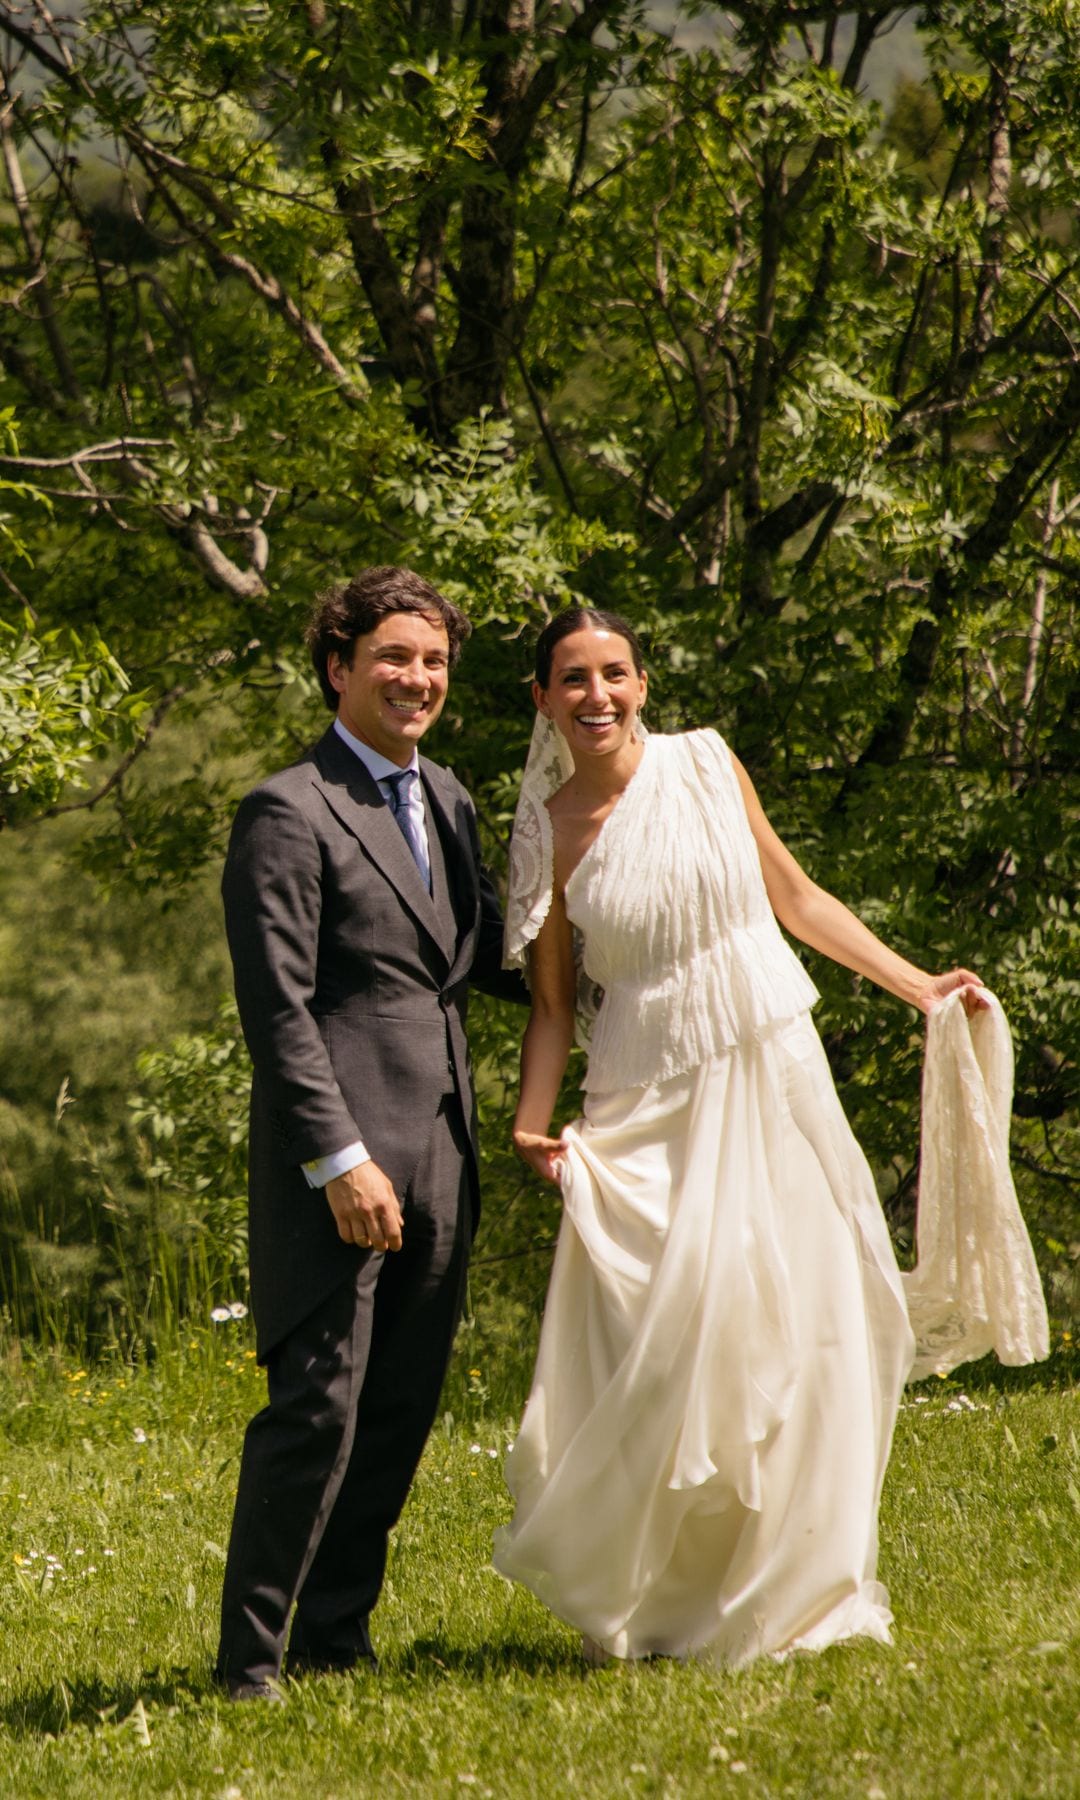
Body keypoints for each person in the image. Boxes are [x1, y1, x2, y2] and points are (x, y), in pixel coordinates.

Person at [493, 605, 1045, 1667]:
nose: (597, 696)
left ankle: (798, 1587)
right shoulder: (550, 830)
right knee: (676, 1349)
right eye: (573, 678)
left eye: (615, 673)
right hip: (645, 1099)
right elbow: (554, 1005)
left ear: (642, 684)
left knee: (812, 1317)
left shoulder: (706, 764)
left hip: (769, 1062)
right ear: (543, 698)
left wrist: (916, 984)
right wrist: (528, 1124)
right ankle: (666, 1599)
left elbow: (795, 897)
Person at [215, 566, 524, 1701]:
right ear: (337, 666)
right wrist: (337, 1160)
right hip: (342, 1159)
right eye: (394, 656)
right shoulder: (287, 810)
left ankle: (334, 1640)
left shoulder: (447, 796)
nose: (417, 678)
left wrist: (632, 960)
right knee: (319, 1410)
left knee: (396, 1410)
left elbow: (485, 952)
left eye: (434, 661)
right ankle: (250, 1666)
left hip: (445, 1144)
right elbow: (278, 1010)